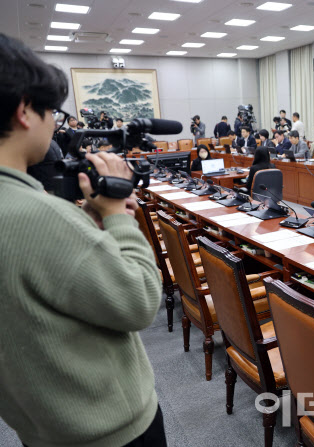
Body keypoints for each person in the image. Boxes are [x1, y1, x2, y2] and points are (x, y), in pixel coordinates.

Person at [0, 33, 165, 447]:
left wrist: (88, 221)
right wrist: (116, 215)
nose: (55, 123)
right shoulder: (37, 215)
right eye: (52, 111)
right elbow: (140, 299)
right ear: (24, 110)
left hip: (41, 425)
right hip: (106, 430)